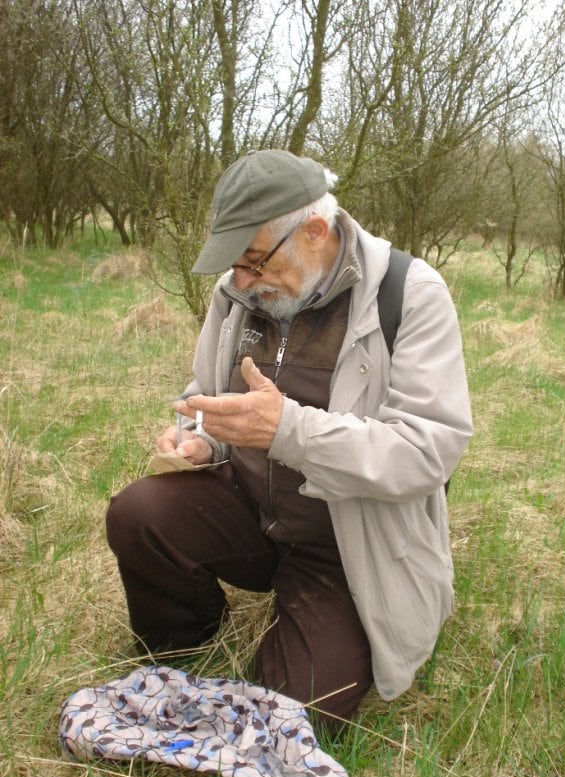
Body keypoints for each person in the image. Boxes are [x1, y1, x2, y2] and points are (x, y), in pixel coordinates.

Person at [106, 149, 473, 727]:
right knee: (138, 514)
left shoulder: (410, 294)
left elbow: (428, 450)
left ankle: (316, 625)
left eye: (253, 261)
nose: (242, 280)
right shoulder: (238, 293)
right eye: (235, 264)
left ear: (314, 232)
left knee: (283, 716)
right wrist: (199, 437)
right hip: (252, 511)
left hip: (347, 543)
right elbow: (206, 391)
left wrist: (290, 431)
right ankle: (186, 642)